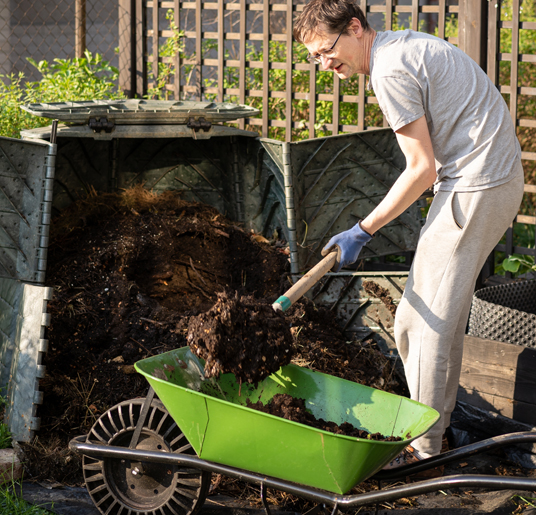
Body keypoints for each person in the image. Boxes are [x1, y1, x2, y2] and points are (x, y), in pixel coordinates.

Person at [293, 0, 524, 470]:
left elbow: (420, 170)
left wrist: (362, 229)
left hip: (476, 186)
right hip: (484, 180)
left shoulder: (390, 70)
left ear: (355, 28)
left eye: (326, 50)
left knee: (421, 324)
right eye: (314, 56)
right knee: (428, 317)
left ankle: (423, 449)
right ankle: (440, 427)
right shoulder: (400, 46)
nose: (324, 63)